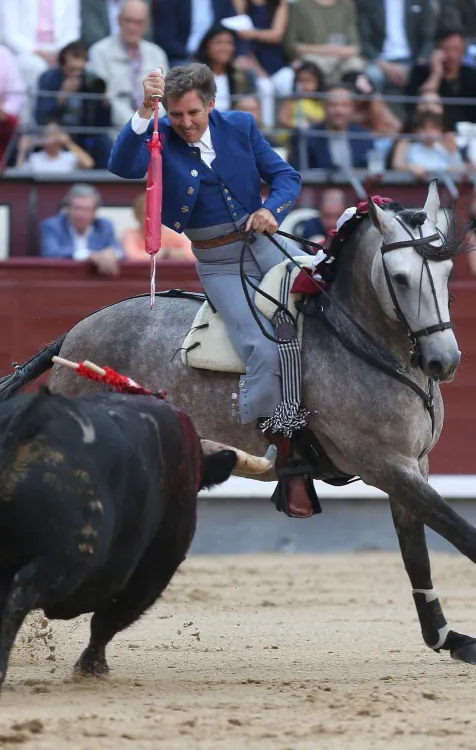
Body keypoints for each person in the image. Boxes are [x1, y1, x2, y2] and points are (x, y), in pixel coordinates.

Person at [107, 62, 315, 519]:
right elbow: (120, 165)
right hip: (219, 263)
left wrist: (270, 208)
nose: (184, 124)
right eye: (177, 115)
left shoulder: (239, 125)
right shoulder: (158, 135)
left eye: (193, 114)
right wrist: (146, 108)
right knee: (261, 345)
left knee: (324, 321)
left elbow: (287, 178)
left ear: (212, 104)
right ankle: (282, 457)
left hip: (268, 245)